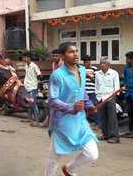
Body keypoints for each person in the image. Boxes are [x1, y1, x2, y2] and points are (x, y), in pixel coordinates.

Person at [45, 42, 98, 176]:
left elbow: (81, 91)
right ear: (62, 55)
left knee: (92, 154)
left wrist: (89, 104)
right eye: (71, 52)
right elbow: (52, 100)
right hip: (61, 122)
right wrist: (71, 107)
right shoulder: (57, 75)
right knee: (54, 159)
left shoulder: (81, 71)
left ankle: (69, 169)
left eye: (76, 51)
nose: (75, 54)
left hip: (80, 121)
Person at [95, 58, 120, 143]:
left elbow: (117, 87)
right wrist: (97, 95)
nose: (102, 65)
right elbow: (96, 86)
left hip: (110, 98)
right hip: (100, 98)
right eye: (101, 63)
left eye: (104, 63)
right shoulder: (97, 74)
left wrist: (114, 97)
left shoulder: (114, 73)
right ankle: (105, 134)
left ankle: (114, 136)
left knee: (112, 117)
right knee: (102, 117)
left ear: (108, 64)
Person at [23, 53, 42, 127]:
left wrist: (38, 81)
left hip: (32, 87)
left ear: (29, 58)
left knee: (33, 104)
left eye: (26, 58)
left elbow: (39, 75)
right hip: (27, 86)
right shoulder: (26, 66)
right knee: (29, 103)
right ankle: (29, 119)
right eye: (24, 58)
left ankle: (36, 121)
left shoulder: (34, 66)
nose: (24, 59)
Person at [82, 55, 99, 127]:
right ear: (84, 63)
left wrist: (91, 78)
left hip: (92, 91)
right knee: (84, 108)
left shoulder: (95, 69)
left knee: (93, 107)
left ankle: (97, 123)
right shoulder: (81, 69)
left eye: (88, 62)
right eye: (85, 62)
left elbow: (98, 80)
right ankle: (85, 123)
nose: (87, 63)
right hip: (84, 92)